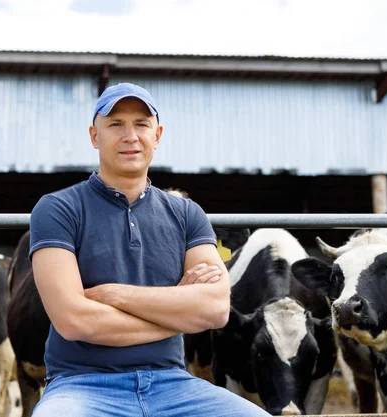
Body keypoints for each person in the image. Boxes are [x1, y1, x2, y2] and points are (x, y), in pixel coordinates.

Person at [29, 82, 271, 416]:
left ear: (157, 135)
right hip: (82, 387)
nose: (130, 136)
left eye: (141, 124)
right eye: (115, 124)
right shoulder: (57, 209)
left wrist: (114, 295)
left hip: (174, 385)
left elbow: (215, 309)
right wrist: (180, 314)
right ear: (94, 136)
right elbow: (74, 321)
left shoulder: (187, 214)